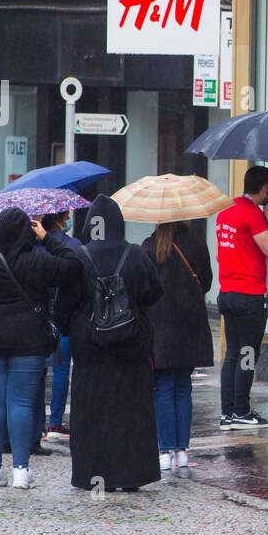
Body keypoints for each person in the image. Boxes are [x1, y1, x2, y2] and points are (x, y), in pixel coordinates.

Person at [0, 207, 81, 488]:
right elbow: (72, 265)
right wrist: (46, 238)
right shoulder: (38, 260)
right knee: (21, 402)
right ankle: (21, 469)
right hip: (28, 340)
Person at [56, 195, 164, 491]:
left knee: (92, 410)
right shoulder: (135, 255)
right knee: (131, 409)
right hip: (130, 345)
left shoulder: (78, 257)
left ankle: (94, 472)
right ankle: (131, 474)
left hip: (90, 348)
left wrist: (76, 327)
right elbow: (154, 293)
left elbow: (63, 305)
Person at [143, 219, 214, 474]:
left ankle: (165, 451)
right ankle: (182, 452)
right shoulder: (196, 245)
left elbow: (144, 289)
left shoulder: (149, 247)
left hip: (160, 329)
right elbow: (205, 283)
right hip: (189, 327)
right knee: (183, 387)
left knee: (162, 389)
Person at [215, 165, 268, 430]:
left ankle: (227, 413)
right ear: (264, 189)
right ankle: (242, 410)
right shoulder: (253, 214)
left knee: (232, 354)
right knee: (248, 353)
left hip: (227, 293)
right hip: (250, 295)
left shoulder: (225, 212)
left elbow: (221, 254)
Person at [41, 210, 81, 438]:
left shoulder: (36, 245)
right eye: (66, 216)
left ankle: (39, 426)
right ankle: (55, 422)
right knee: (62, 369)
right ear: (60, 218)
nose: (68, 220)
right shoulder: (73, 245)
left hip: (41, 317)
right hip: (66, 318)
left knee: (36, 371)